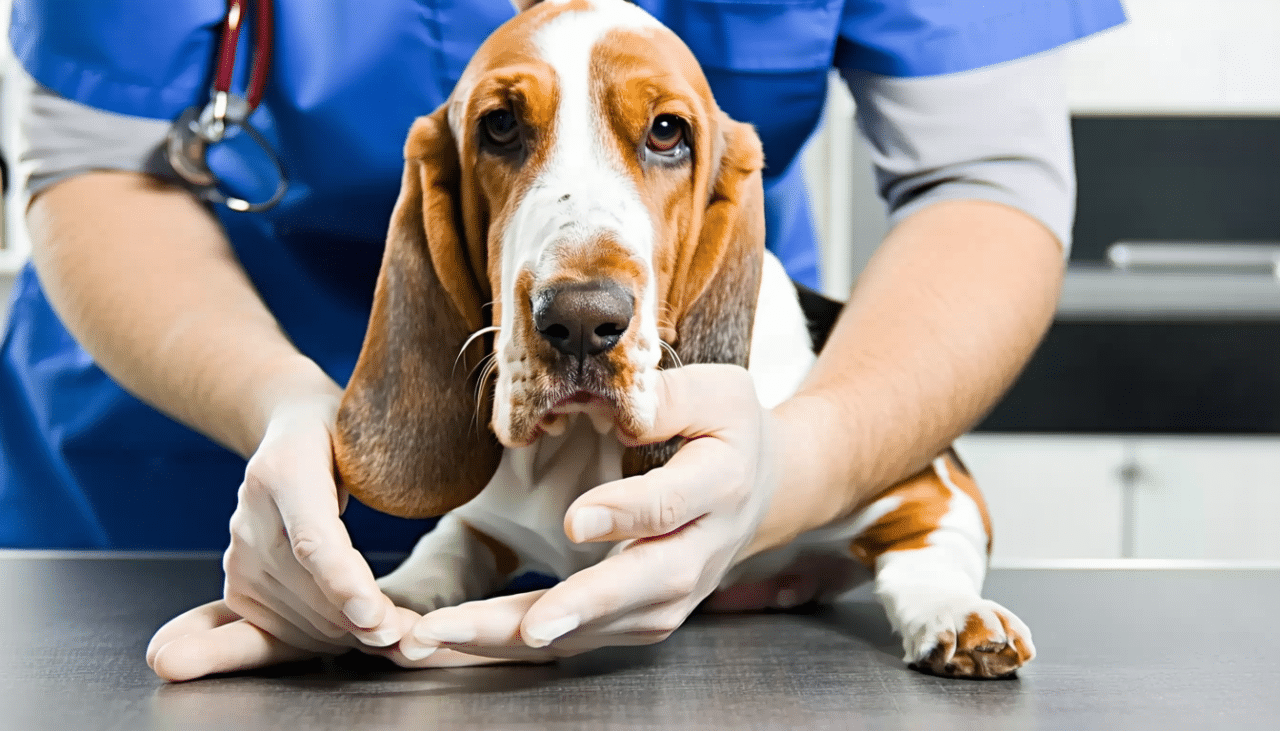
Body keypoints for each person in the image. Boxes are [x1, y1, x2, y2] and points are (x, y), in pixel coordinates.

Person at [1, 0, 1124, 679]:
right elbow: (96, 165)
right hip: (178, 451)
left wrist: (791, 473)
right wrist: (288, 408)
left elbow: (980, 179)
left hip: (719, 416)